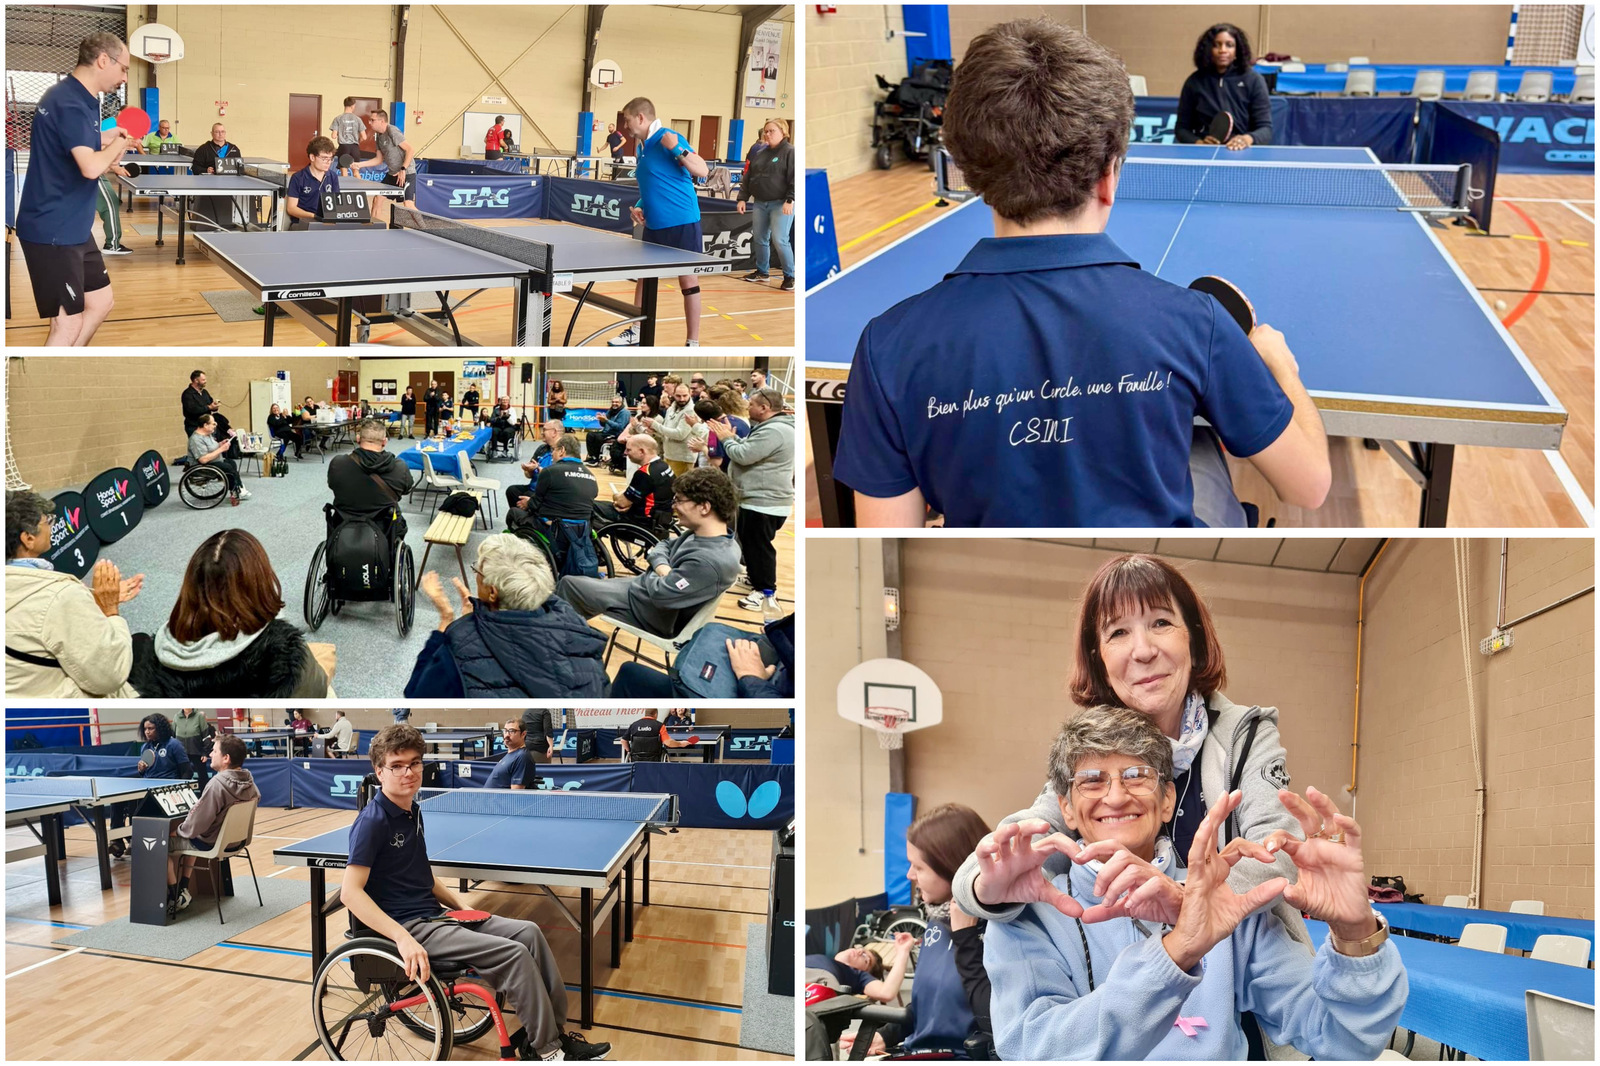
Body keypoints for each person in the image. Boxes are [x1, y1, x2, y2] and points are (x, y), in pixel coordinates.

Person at [832, 20, 1329, 528]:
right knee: (1197, 443)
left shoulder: (886, 346)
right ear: (1109, 175)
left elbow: (884, 537)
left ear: (968, 169)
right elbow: (1309, 486)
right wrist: (1281, 366)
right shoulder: (1194, 322)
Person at [951, 552, 1314, 1056]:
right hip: (1128, 1004)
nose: (1141, 650)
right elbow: (1019, 841)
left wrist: (1191, 908)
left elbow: (1277, 851)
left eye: (1161, 622)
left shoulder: (1245, 735)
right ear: (1097, 654)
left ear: (1194, 636)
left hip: (1235, 995)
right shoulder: (1092, 753)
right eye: (1117, 632)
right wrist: (983, 887)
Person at [984, 706, 1404, 1060]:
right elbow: (1033, 1048)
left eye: (1136, 775)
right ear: (1066, 810)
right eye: (1092, 780)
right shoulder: (1028, 912)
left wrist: (1354, 933)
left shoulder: (1224, 898)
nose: (1115, 796)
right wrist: (1173, 954)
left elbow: (1344, 1037)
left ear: (1167, 801)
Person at [340, 725, 609, 1062]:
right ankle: (547, 1051)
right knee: (513, 955)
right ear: (379, 771)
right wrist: (403, 938)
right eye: (397, 766)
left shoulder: (413, 811)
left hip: (437, 916)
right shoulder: (373, 821)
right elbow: (350, 893)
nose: (408, 772)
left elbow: (422, 874)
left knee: (530, 932)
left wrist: (460, 905)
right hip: (413, 926)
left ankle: (550, 1035)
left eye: (415, 763)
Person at [839, 804, 993, 1059]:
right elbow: (929, 1004)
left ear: (951, 867)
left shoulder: (997, 929)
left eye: (918, 867)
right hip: (916, 1052)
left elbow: (997, 1021)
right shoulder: (937, 920)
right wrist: (885, 1035)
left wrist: (966, 940)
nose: (910, 875)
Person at [14, 32, 131, 345]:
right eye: (124, 68)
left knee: (101, 303)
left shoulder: (84, 99)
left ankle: (71, 354)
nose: (124, 77)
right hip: (52, 230)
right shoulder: (69, 101)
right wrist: (118, 141)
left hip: (75, 228)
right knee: (66, 324)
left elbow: (82, 153)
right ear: (103, 60)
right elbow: (91, 167)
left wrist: (107, 142)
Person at [130, 530, 335, 697]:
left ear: (191, 587)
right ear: (260, 582)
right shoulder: (285, 654)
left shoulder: (160, 653)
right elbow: (317, 691)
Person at [404, 534, 609, 699]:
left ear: (492, 592)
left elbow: (415, 694)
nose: (475, 573)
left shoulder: (458, 648)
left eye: (477, 569)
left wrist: (447, 622)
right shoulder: (575, 625)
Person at [556, 467, 742, 638]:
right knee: (577, 590)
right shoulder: (710, 536)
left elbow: (662, 593)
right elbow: (663, 546)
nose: (673, 506)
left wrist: (657, 568)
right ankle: (567, 634)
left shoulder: (708, 562)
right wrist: (662, 568)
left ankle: (554, 642)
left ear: (704, 507)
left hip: (649, 610)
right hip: (645, 592)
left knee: (569, 584)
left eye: (679, 500)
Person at [5, 489, 142, 697]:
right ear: (28, 539)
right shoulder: (60, 596)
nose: (52, 526)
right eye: (47, 521)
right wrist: (110, 610)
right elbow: (111, 674)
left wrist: (91, 602)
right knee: (141, 647)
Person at [608, 98, 710, 347]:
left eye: (627, 119)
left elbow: (702, 170)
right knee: (644, 278)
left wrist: (678, 149)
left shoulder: (668, 137)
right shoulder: (642, 146)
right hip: (654, 225)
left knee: (687, 281)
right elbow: (655, 182)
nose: (625, 124)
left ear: (641, 117)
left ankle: (692, 342)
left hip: (681, 222)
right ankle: (635, 330)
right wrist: (640, 207)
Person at [708, 388, 794, 611]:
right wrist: (733, 437)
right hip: (757, 499)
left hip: (764, 502)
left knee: (759, 548)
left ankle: (765, 591)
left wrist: (726, 439)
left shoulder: (774, 431)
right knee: (751, 545)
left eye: (752, 404)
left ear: (765, 408)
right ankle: (756, 578)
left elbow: (743, 455)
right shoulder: (770, 428)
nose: (748, 407)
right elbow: (749, 449)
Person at [166, 733, 259, 917]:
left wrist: (177, 831)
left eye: (214, 751)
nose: (210, 754)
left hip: (213, 843)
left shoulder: (217, 784)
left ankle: (176, 897)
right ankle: (184, 889)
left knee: (162, 846)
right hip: (236, 842)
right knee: (192, 835)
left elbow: (196, 824)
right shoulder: (249, 780)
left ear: (226, 758)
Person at [804, 936, 916, 1059]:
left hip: (819, 986)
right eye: (861, 949)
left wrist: (903, 951)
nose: (859, 952)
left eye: (865, 959)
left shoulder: (858, 975)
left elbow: (887, 992)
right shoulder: (826, 959)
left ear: (866, 972)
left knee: (822, 1035)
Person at [108, 713, 194, 857]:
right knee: (117, 800)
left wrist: (177, 789)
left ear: (160, 728)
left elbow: (187, 771)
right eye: (145, 729)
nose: (147, 732)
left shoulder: (174, 745)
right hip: (146, 787)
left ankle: (133, 840)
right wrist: (142, 770)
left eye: (151, 728)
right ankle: (117, 841)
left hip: (165, 790)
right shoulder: (145, 747)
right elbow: (146, 773)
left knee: (136, 804)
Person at [1176, 23, 1273, 150]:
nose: (1223, 50)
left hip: (1242, 152)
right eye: (1216, 45)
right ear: (1208, 49)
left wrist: (1246, 139)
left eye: (1229, 45)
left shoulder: (1254, 80)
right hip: (1205, 153)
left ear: (1237, 50)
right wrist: (1199, 143)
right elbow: (1181, 128)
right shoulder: (1194, 82)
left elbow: (1265, 128)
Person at [736, 118, 797, 291]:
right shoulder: (760, 153)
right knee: (760, 238)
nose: (767, 134)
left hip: (781, 204)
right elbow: (749, 177)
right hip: (760, 203)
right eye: (766, 131)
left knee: (780, 240)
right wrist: (742, 197)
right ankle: (763, 272)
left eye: (772, 131)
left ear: (783, 132)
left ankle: (790, 276)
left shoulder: (790, 152)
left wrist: (790, 199)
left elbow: (794, 177)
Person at [329, 419, 413, 528]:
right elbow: (406, 489)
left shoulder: (338, 463)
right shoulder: (400, 467)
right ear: (384, 441)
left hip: (343, 527)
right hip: (384, 529)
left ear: (358, 439)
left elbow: (332, 485)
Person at [593, 435, 674, 532]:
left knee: (588, 506)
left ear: (642, 451)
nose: (625, 453)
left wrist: (617, 496)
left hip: (640, 522)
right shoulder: (664, 466)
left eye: (628, 450)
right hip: (661, 519)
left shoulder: (645, 473)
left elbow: (622, 503)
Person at [511, 434, 596, 520]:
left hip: (555, 526)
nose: (552, 453)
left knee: (513, 513)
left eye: (554, 449)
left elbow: (535, 504)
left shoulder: (550, 471)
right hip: (582, 527)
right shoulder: (592, 477)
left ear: (562, 450)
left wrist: (528, 503)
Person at [190, 414, 250, 505]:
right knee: (228, 468)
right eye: (213, 423)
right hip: (203, 466)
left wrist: (220, 444)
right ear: (205, 425)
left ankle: (238, 488)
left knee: (231, 463)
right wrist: (221, 449)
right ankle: (237, 489)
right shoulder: (196, 439)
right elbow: (203, 459)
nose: (216, 425)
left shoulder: (207, 434)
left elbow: (211, 447)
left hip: (214, 461)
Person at [645, 383, 700, 476]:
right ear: (673, 394)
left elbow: (680, 435)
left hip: (682, 458)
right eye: (678, 396)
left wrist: (655, 425)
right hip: (669, 455)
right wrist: (655, 432)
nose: (682, 399)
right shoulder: (671, 408)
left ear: (690, 393)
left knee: (679, 488)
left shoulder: (691, 410)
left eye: (685, 395)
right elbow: (666, 431)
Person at [285, 137, 342, 227]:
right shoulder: (298, 178)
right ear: (312, 157)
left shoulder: (333, 176)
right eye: (324, 158)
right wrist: (313, 216)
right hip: (302, 223)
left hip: (326, 223)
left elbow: (336, 204)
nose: (328, 162)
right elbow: (291, 208)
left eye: (330, 158)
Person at [366, 109, 415, 204]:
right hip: (392, 174)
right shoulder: (378, 136)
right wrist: (359, 165)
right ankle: (374, 219)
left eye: (372, 120)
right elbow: (378, 159)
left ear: (382, 121)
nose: (369, 122)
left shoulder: (392, 130)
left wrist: (403, 169)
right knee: (378, 199)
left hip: (406, 174)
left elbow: (410, 150)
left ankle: (419, 220)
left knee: (408, 204)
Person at [618, 708, 692, 762]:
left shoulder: (634, 725)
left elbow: (623, 740)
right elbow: (668, 743)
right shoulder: (659, 726)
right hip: (655, 758)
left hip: (636, 758)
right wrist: (681, 743)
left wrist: (629, 751)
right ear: (655, 714)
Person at [173, 708, 215, 789]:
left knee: (202, 776)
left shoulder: (199, 716)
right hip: (182, 753)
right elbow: (173, 736)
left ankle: (204, 796)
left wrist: (205, 753)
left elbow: (206, 736)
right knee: (183, 775)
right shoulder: (176, 717)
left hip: (197, 752)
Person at [486, 719, 532, 788]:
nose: (507, 735)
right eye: (505, 731)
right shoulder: (510, 754)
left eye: (511, 731)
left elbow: (515, 794)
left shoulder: (522, 757)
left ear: (523, 734)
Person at [585, 396, 630, 466]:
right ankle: (592, 456)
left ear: (621, 403)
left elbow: (619, 427)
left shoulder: (625, 412)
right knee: (590, 435)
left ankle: (596, 459)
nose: (614, 404)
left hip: (616, 433)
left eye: (616, 402)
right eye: (613, 402)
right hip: (606, 432)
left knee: (598, 438)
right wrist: (601, 420)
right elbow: (603, 424)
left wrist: (607, 420)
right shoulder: (610, 411)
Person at [329, 97, 369, 176]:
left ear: (344, 105)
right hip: (355, 147)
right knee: (356, 171)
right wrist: (358, 140)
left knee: (344, 171)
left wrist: (341, 132)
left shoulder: (338, 118)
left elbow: (333, 136)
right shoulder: (358, 119)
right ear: (353, 106)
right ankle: (359, 188)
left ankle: (346, 188)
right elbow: (364, 137)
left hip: (343, 147)